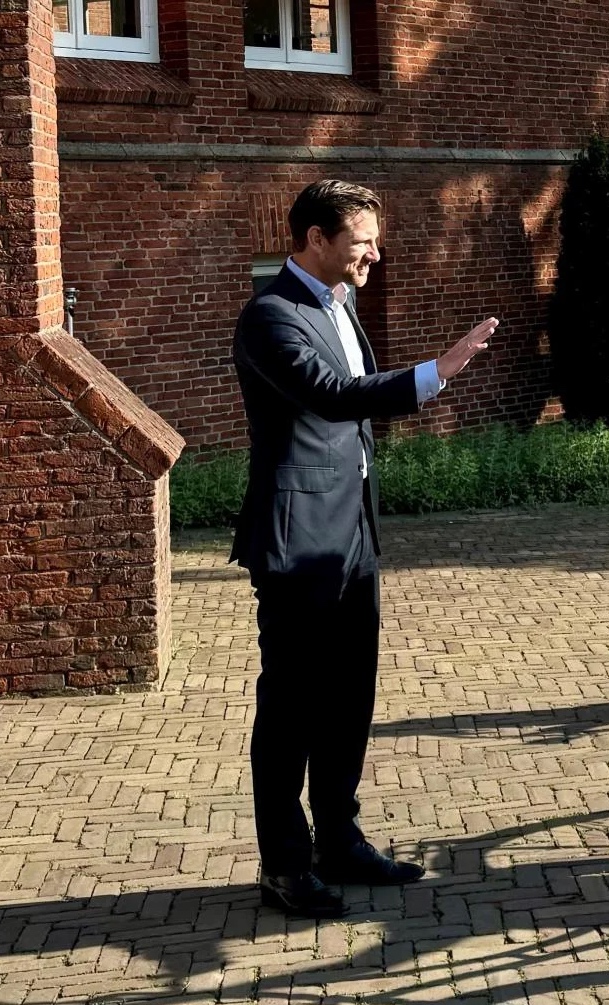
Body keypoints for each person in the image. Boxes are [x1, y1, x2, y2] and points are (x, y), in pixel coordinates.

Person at [231, 180, 499, 918]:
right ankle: (283, 866)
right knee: (290, 707)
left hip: (353, 536)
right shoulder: (269, 316)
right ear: (315, 239)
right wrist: (434, 374)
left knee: (349, 696)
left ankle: (338, 841)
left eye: (373, 240)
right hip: (296, 542)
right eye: (360, 241)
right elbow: (330, 395)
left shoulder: (341, 305)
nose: (373, 254)